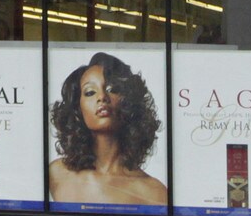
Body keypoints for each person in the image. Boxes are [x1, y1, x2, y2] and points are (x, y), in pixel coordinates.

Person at [47, 52, 168, 206]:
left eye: (112, 89)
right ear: (78, 109)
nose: (102, 97)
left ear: (129, 101)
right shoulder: (56, 174)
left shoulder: (155, 193)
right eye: (90, 92)